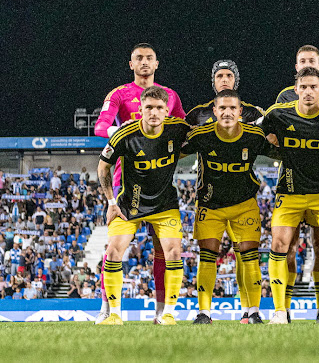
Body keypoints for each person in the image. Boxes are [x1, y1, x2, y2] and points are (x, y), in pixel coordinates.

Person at [94, 43, 186, 324]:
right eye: (139, 58)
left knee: (164, 250)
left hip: (160, 181)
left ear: (157, 63)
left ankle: (163, 311)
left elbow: (184, 129)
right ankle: (106, 310)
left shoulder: (170, 96)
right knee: (113, 246)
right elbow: (100, 127)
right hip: (125, 180)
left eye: (149, 58)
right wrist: (125, 135)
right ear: (131, 64)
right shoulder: (119, 94)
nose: (144, 62)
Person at [262, 67, 319, 324]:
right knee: (279, 246)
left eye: (314, 87)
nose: (309, 91)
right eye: (304, 87)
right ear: (296, 90)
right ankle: (280, 311)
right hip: (289, 192)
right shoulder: (278, 114)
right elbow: (255, 133)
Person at [182, 89, 276, 325]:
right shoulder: (201, 135)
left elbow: (280, 152)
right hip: (209, 205)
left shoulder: (254, 135)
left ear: (240, 111)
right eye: (222, 108)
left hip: (244, 204)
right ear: (214, 111)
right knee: (207, 256)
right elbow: (174, 148)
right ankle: (204, 313)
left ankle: (253, 312)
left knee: (250, 257)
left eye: (232, 108)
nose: (227, 112)